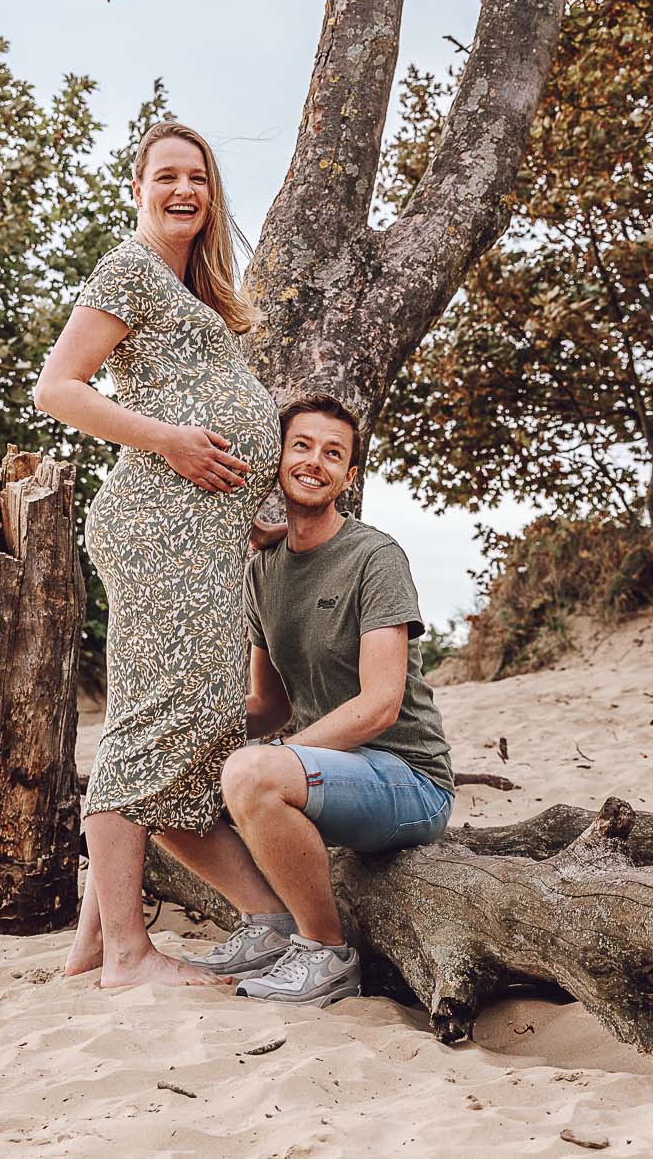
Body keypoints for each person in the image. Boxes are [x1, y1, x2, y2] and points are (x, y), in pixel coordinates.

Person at [33, 120, 282, 988]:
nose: (184, 190)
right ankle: (130, 955)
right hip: (158, 526)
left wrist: (253, 503)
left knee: (191, 717)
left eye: (199, 178)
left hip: (204, 533)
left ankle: (92, 946)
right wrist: (171, 442)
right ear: (136, 187)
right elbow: (57, 387)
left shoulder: (191, 289)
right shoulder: (128, 268)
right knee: (154, 722)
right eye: (166, 175)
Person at [160, 393, 456, 1007]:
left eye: (333, 454)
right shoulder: (263, 569)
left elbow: (379, 705)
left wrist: (269, 761)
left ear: (349, 476)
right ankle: (270, 925)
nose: (314, 462)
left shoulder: (375, 557)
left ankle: (327, 954)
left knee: (253, 773)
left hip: (408, 780)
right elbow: (265, 704)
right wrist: (189, 737)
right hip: (327, 771)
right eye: (302, 446)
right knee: (157, 776)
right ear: (278, 458)